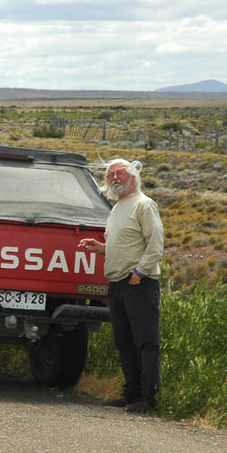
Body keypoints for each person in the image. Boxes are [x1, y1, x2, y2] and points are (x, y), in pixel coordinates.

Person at [79, 158, 165, 414]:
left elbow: (155, 244)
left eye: (120, 173)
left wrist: (139, 273)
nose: (115, 178)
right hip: (117, 283)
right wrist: (101, 249)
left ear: (133, 176)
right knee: (124, 341)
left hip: (138, 282)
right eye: (111, 174)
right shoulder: (117, 208)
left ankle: (149, 398)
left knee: (145, 341)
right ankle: (131, 394)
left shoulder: (144, 205)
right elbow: (127, 245)